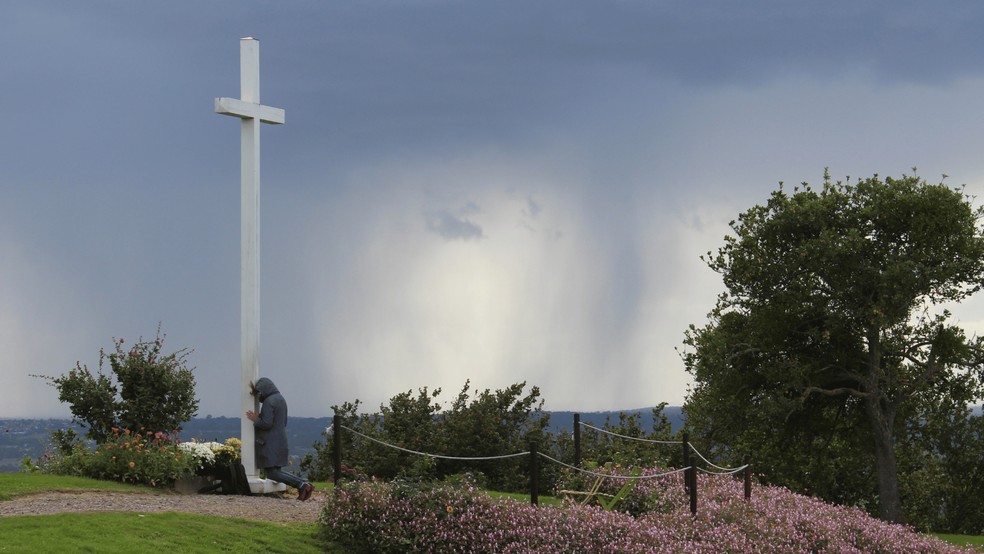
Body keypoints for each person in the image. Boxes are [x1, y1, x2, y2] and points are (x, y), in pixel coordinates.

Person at [246, 377, 314, 501]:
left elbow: (267, 423)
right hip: (280, 439)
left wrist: (256, 419)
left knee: (272, 473)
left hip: (270, 442)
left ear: (265, 390)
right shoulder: (281, 399)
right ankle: (304, 484)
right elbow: (282, 421)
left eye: (260, 393)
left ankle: (302, 484)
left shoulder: (269, 402)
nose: (259, 396)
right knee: (276, 471)